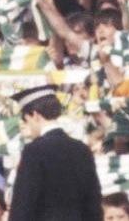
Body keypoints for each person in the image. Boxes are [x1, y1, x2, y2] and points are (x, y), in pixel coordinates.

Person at [7, 87, 101, 221]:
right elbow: (93, 203)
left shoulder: (34, 151)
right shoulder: (82, 149)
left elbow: (23, 205)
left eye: (26, 120)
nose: (28, 126)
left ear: (35, 115)